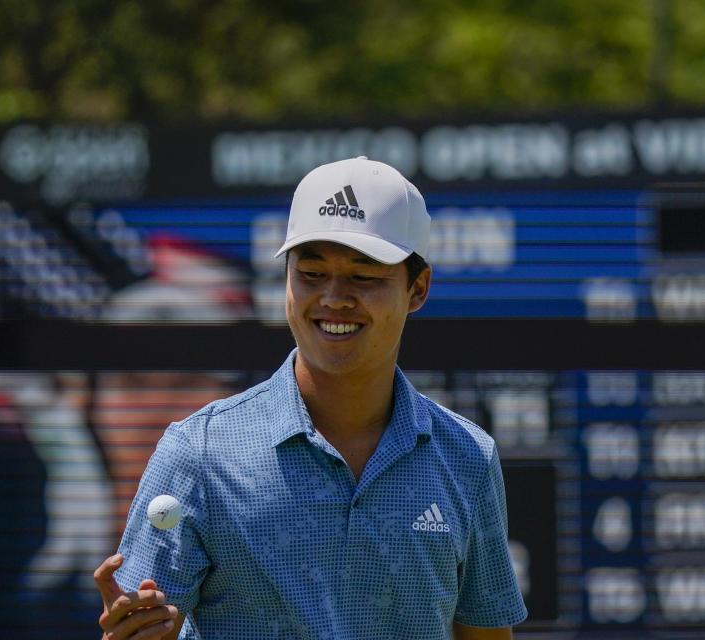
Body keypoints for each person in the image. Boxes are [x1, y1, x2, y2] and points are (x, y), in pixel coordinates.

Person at [93, 156, 528, 639]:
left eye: (364, 277)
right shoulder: (198, 452)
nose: (334, 298)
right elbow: (139, 626)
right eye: (312, 273)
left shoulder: (468, 456)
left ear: (418, 289)